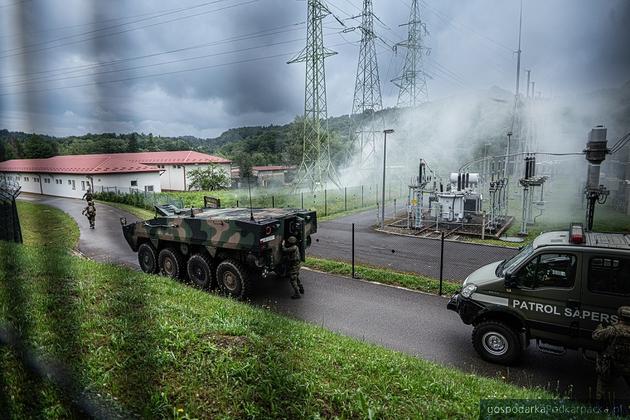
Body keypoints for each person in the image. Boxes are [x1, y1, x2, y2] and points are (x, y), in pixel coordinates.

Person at [592, 306, 630, 401]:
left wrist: (599, 327)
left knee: (603, 387)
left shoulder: (613, 329)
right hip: (627, 365)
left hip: (611, 365)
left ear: (619, 317)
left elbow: (596, 336)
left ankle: (601, 410)